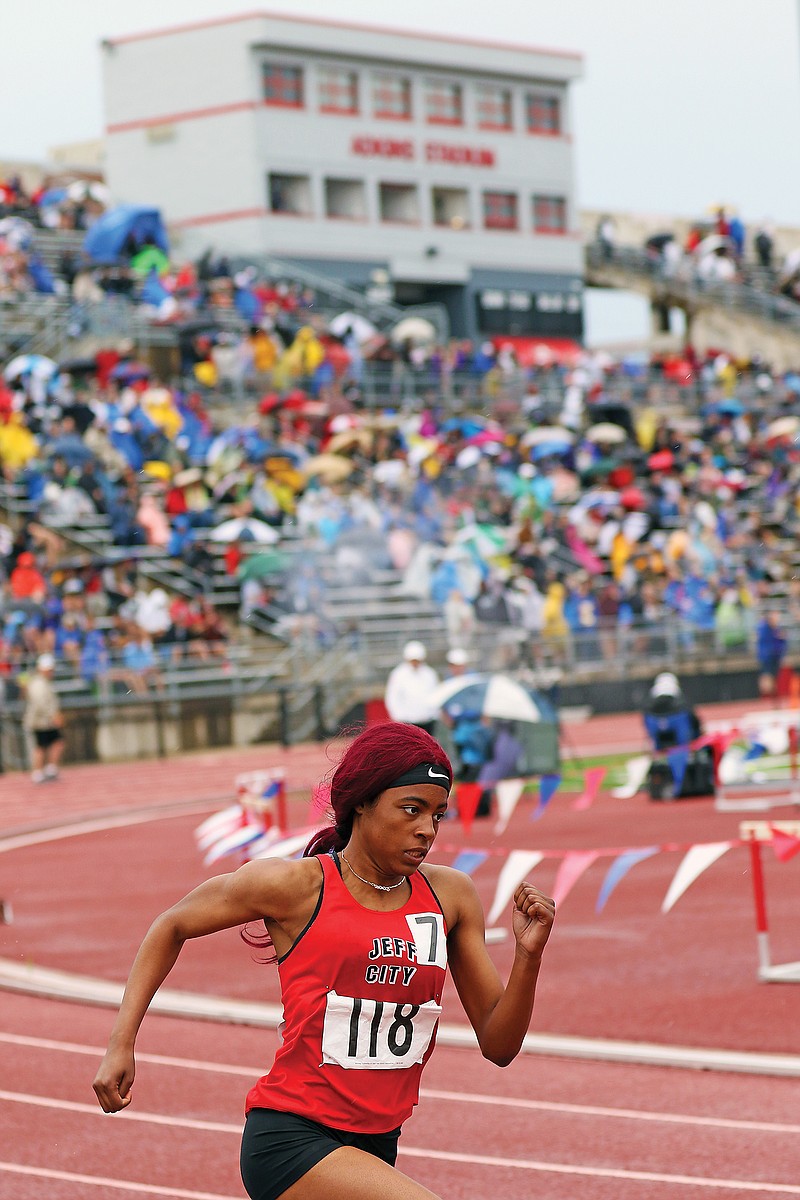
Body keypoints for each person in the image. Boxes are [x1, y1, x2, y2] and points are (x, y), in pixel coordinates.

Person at [92, 723, 555, 1200]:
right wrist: (121, 1043)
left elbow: (500, 1045)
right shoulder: (295, 886)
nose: (427, 829)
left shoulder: (451, 896)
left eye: (438, 815)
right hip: (292, 1138)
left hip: (378, 1144)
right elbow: (171, 924)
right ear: (362, 802)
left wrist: (528, 957)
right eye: (411, 810)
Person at [23, 652, 64, 783]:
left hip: (45, 721)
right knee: (41, 747)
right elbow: (40, 703)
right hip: (40, 722)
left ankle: (49, 769)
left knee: (53, 743)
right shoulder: (38, 683)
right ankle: (38, 772)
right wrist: (53, 715)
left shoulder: (42, 681)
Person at [384, 640, 440, 734]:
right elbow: (392, 697)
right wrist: (398, 717)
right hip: (406, 722)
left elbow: (436, 695)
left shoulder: (429, 674)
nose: (415, 663)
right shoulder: (398, 674)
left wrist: (434, 715)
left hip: (427, 721)